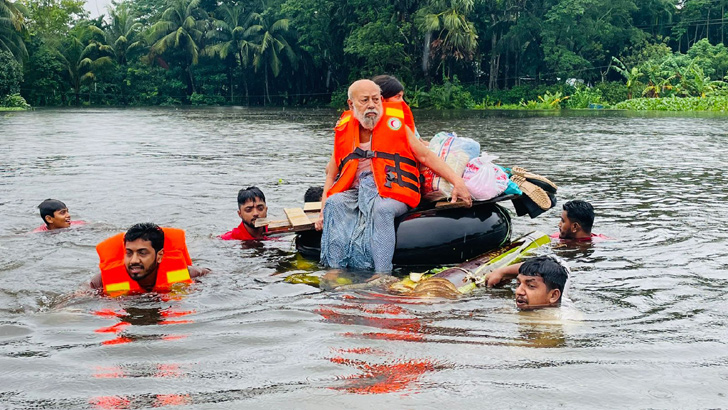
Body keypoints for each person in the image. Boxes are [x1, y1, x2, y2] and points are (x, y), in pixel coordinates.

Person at [316, 79, 472, 273]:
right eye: (364, 100)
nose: (371, 105)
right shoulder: (344, 131)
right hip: (358, 192)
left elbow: (425, 155)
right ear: (351, 104)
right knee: (335, 203)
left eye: (376, 99)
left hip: (394, 192)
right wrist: (323, 210)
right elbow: (331, 176)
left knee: (382, 210)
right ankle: (335, 270)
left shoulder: (397, 126)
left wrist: (457, 181)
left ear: (382, 100)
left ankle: (382, 274)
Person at [90, 223, 209, 296]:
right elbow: (79, 295)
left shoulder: (190, 273)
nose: (134, 260)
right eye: (129, 253)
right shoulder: (100, 282)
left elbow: (216, 277)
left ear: (160, 255)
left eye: (142, 253)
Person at [485, 255, 571, 310]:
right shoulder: (556, 281)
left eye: (530, 286)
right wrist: (502, 272)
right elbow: (561, 262)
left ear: (553, 295)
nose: (518, 291)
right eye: (518, 284)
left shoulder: (563, 322)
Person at [371, 75, 424, 142]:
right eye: (398, 97)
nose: (402, 101)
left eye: (402, 97)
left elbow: (421, 143)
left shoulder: (401, 116)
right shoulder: (369, 123)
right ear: (381, 99)